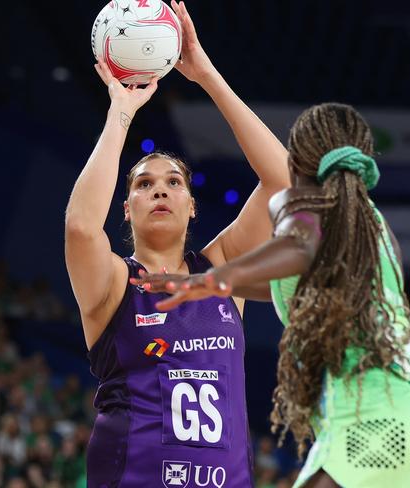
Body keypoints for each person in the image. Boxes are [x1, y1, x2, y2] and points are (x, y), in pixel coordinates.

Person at [134, 103, 410, 487]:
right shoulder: (372, 226)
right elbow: (289, 276)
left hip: (373, 428)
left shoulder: (310, 205)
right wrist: (210, 282)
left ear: (298, 161)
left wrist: (216, 279)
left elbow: (298, 246)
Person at [64, 1, 290, 486]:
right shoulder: (114, 283)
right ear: (127, 209)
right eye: (143, 185)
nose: (160, 189)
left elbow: (284, 181)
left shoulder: (221, 269)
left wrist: (206, 75)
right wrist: (120, 114)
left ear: (191, 205)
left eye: (173, 182)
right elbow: (82, 228)